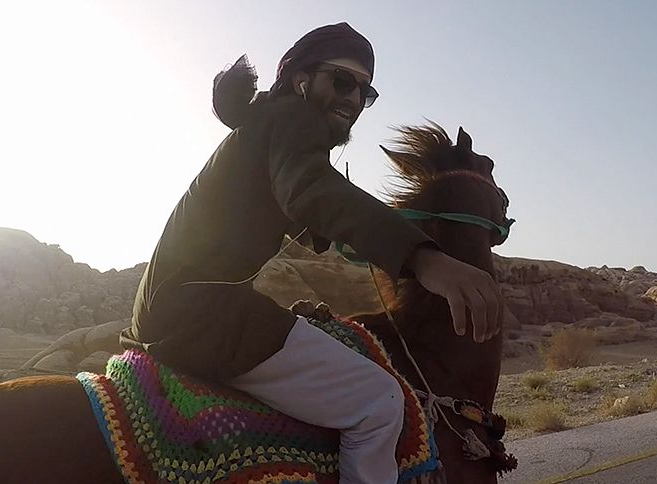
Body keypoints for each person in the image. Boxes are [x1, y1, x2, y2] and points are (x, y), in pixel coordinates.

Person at [119, 22, 504, 484]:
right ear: (301, 80)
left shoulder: (268, 126)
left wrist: (384, 227)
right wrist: (425, 258)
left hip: (176, 310)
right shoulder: (292, 118)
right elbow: (310, 191)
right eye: (341, 81)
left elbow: (309, 203)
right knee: (381, 404)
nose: (352, 99)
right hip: (201, 315)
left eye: (365, 92)